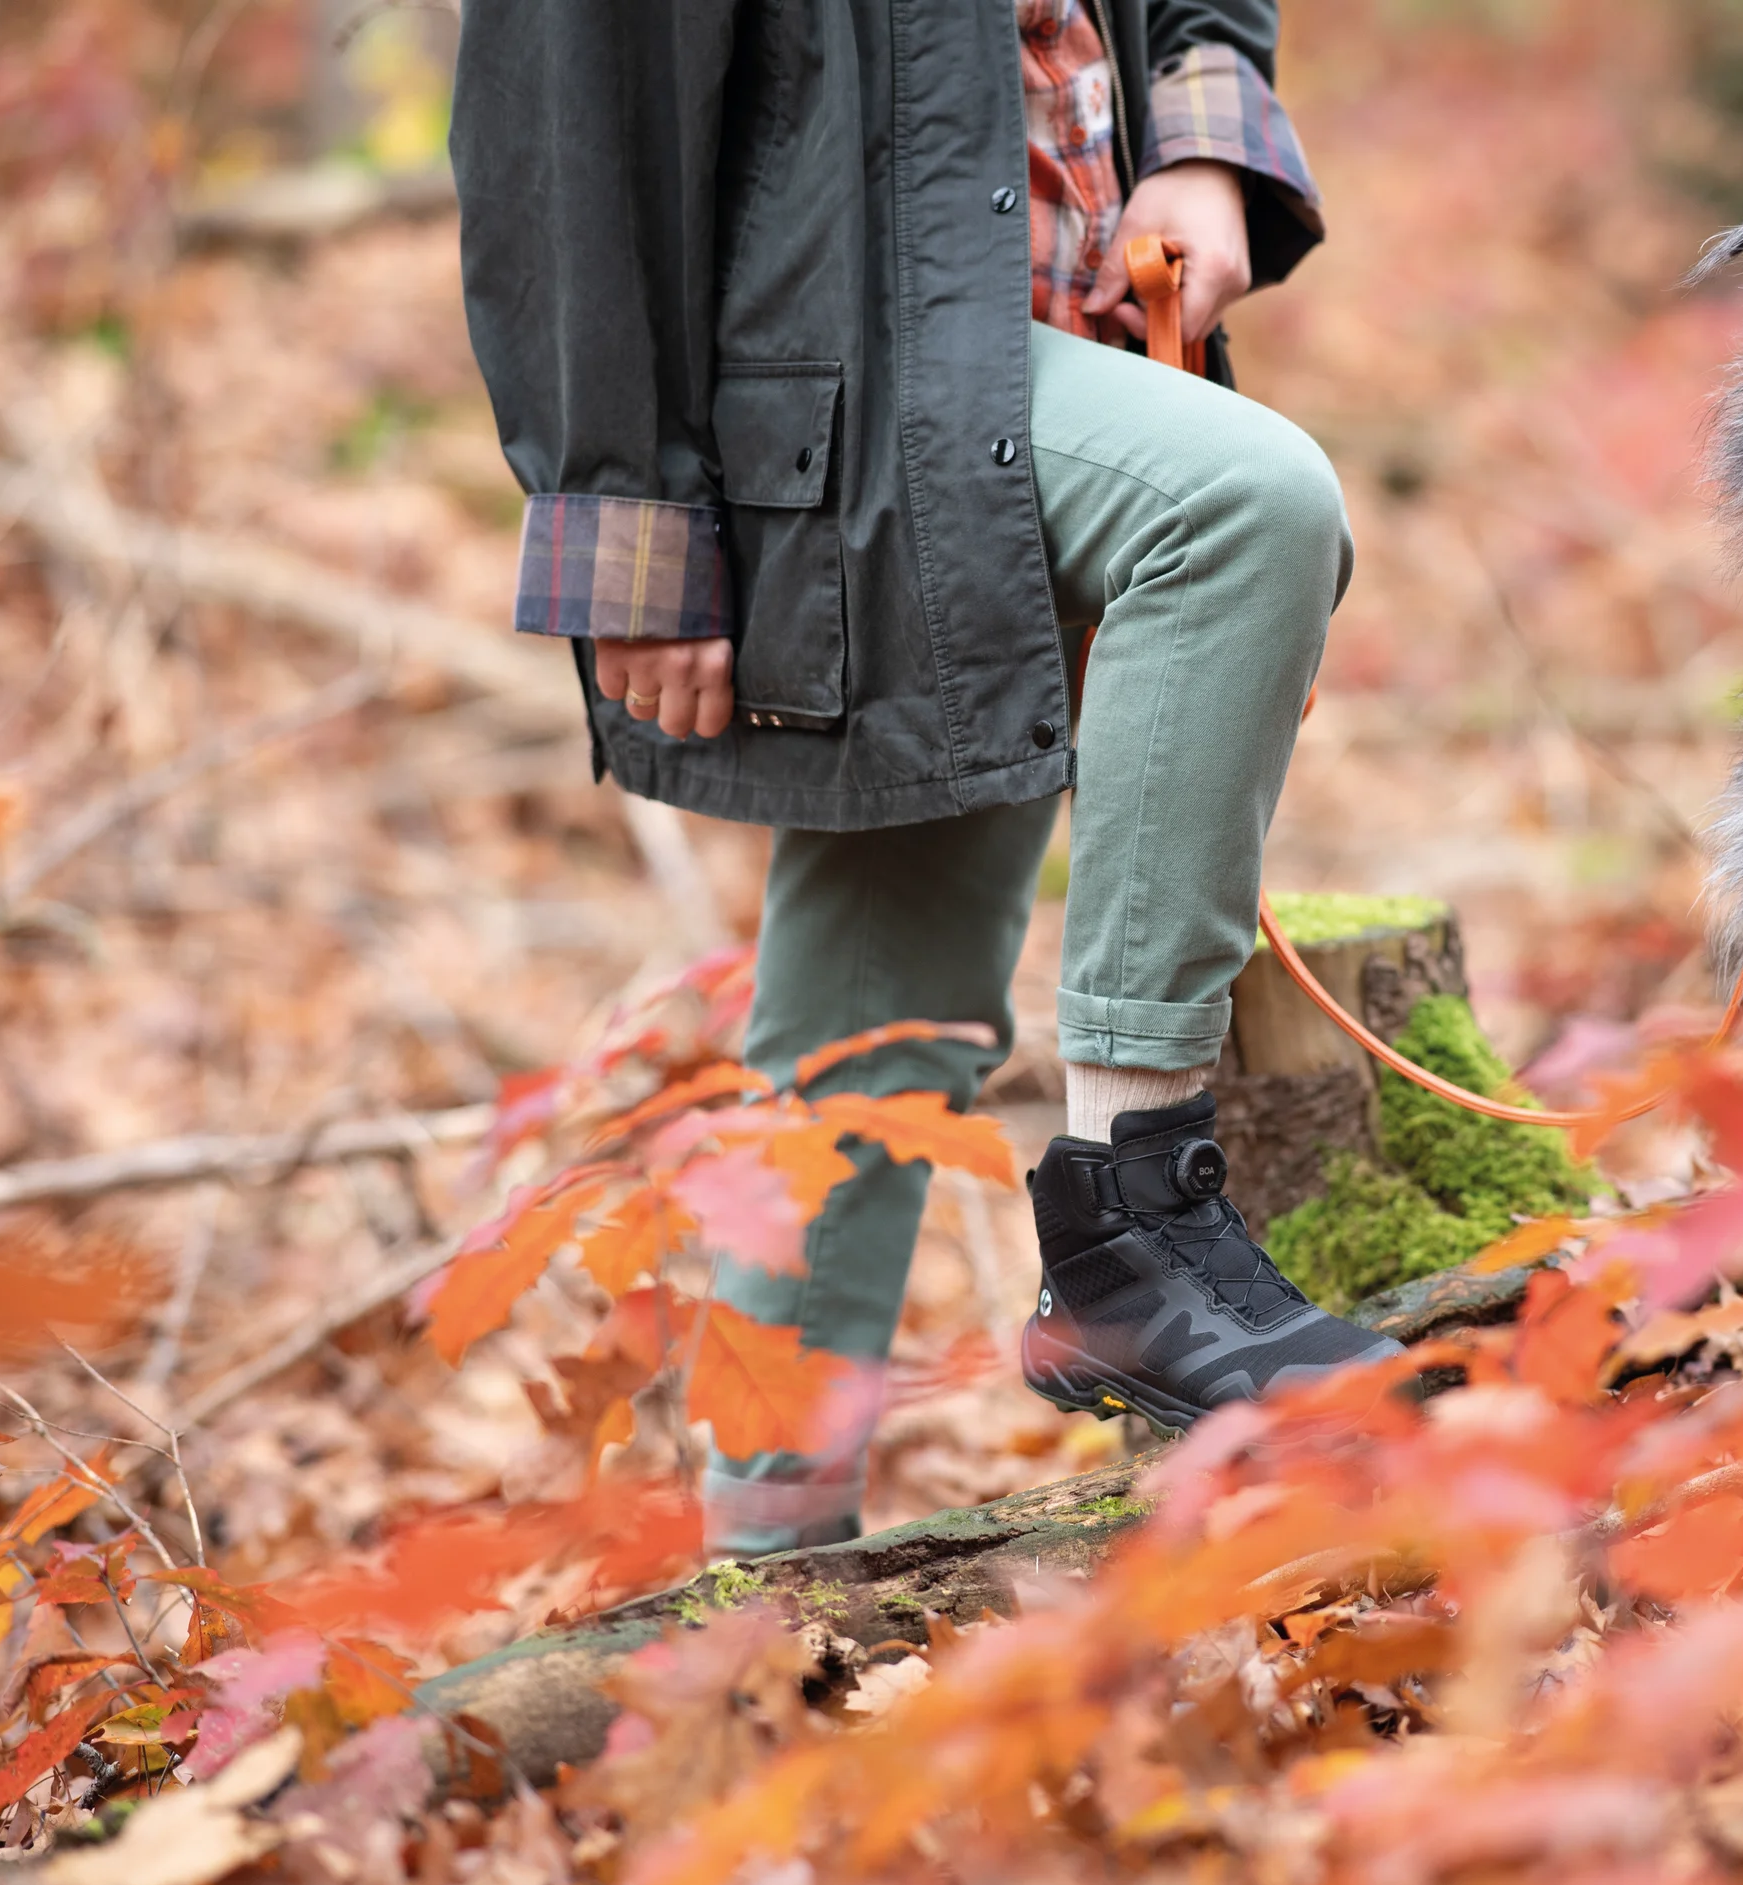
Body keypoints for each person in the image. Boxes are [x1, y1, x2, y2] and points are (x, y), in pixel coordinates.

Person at [450, 0, 1400, 1556]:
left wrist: (1208, 146)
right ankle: (1134, 1220)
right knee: (1245, 507)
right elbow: (558, 126)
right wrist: (623, 520)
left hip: (1045, 345)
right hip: (857, 403)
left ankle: (763, 1572)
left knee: (872, 1018)